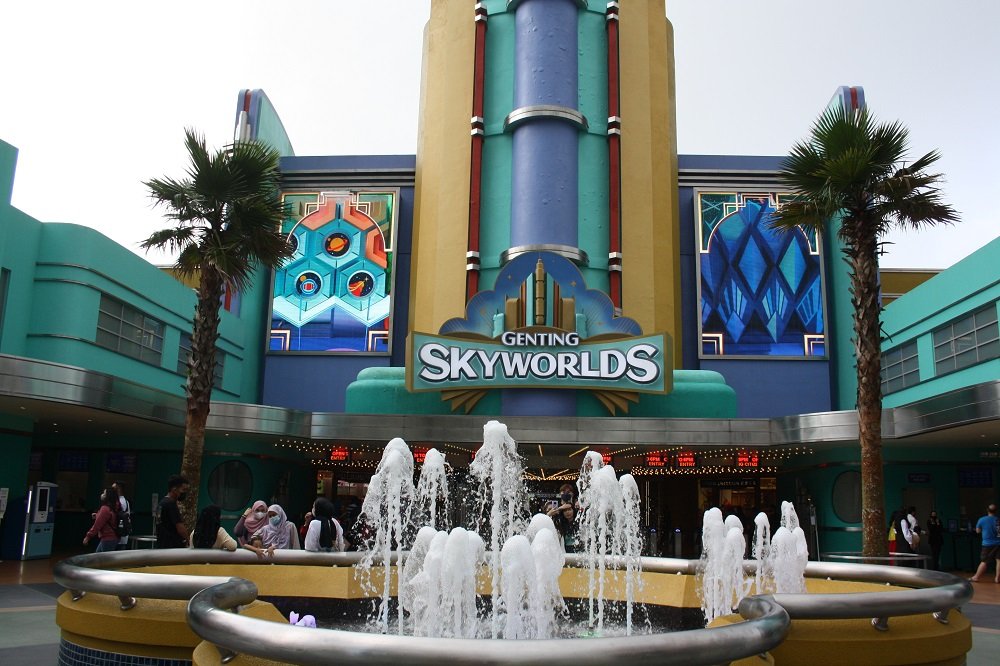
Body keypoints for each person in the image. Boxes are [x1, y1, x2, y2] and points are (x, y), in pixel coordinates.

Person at [156, 475, 190, 548]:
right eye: (183, 490)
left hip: (162, 544)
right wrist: (188, 540)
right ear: (174, 489)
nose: (185, 493)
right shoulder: (171, 504)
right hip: (172, 546)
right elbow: (180, 527)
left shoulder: (161, 503)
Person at [83, 487, 121, 552]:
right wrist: (97, 515)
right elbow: (108, 518)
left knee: (104, 557)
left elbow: (97, 525)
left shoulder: (105, 509)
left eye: (104, 493)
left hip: (108, 538)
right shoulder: (114, 507)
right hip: (113, 537)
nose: (102, 495)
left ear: (108, 496)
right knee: (98, 556)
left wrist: (88, 536)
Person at [970, 504, 1000, 583]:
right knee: (999, 560)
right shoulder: (998, 520)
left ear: (987, 510)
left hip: (987, 544)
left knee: (984, 561)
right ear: (996, 511)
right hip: (998, 543)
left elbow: (978, 531)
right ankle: (997, 578)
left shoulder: (982, 519)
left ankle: (976, 577)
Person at [547, 483, 578, 552]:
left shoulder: (578, 514)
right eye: (565, 510)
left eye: (569, 509)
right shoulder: (559, 517)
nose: (567, 512)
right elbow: (545, 520)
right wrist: (558, 509)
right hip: (563, 550)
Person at [112, 481, 131, 550]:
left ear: (119, 489)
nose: (111, 490)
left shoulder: (120, 502)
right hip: (122, 535)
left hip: (118, 535)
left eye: (113, 488)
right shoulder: (126, 501)